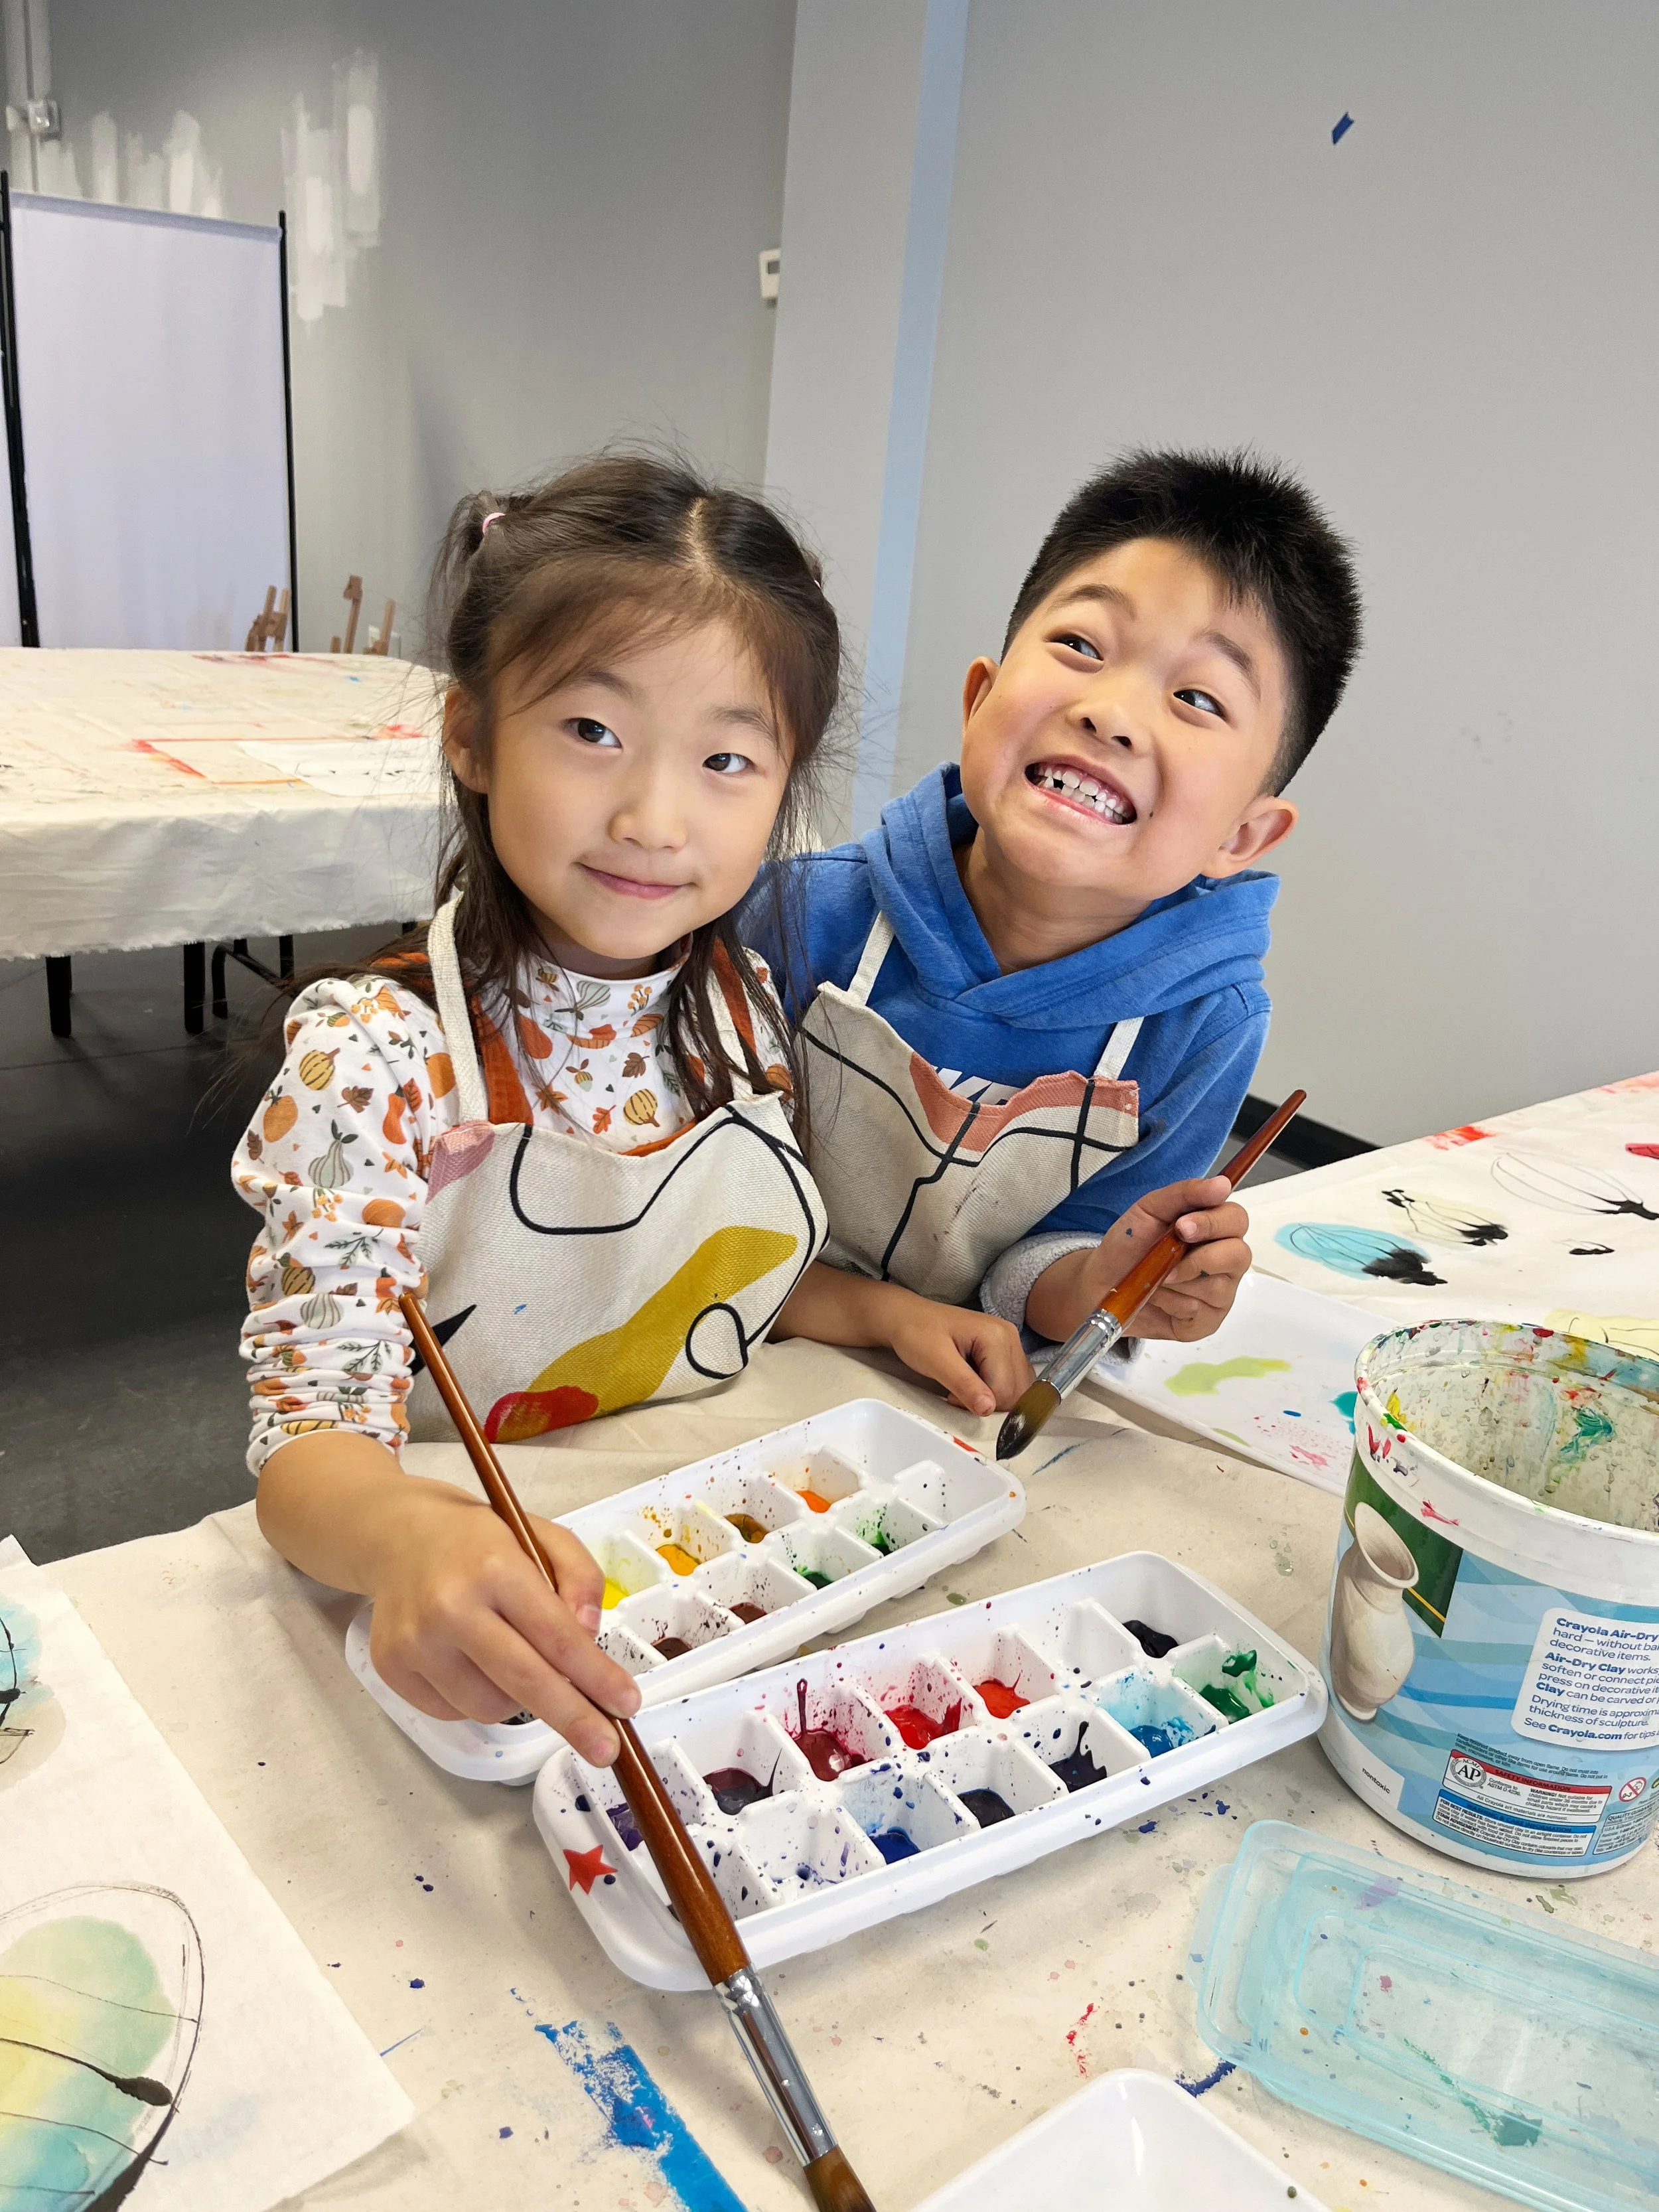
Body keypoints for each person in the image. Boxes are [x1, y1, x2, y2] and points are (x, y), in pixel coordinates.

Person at [235, 455, 1030, 1768]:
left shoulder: (736, 1006)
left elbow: (699, 1286)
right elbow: (305, 1449)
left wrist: (885, 1312)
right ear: (471, 735)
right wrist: (407, 1535)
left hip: (712, 1567)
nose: (655, 816)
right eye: (592, 732)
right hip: (464, 1607)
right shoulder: (375, 1058)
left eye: (726, 758)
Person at [755, 448, 1362, 1352]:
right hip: (736, 1339)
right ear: (979, 702)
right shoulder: (796, 914)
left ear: (1242, 836)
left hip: (956, 1409)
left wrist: (1112, 1281)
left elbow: (1047, 1277)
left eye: (1197, 697)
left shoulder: (1206, 1025)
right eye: (1081, 646)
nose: (1113, 712)